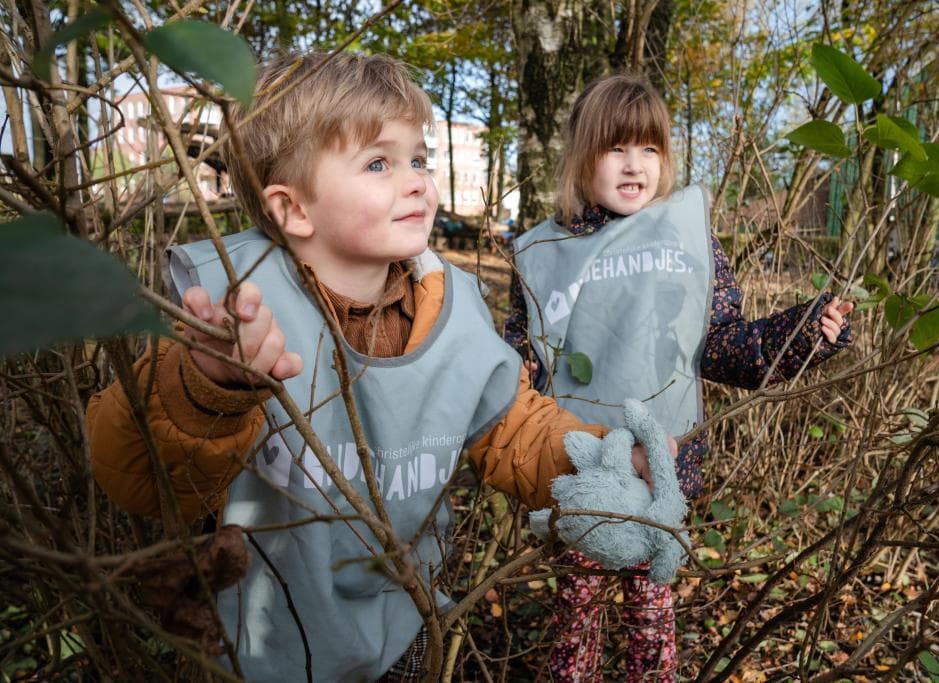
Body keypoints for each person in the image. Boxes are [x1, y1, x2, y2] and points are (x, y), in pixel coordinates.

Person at [86, 53, 660, 682]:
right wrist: (211, 387)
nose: (416, 181)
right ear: (294, 208)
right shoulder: (234, 312)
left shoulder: (453, 305)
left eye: (419, 158)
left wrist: (592, 460)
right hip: (266, 638)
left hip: (403, 623)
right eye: (379, 163)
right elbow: (139, 480)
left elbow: (510, 424)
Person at [503, 73, 854, 682]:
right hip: (579, 468)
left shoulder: (688, 242)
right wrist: (512, 373)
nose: (634, 164)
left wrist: (802, 334)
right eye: (616, 147)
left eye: (650, 148)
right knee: (575, 617)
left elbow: (721, 344)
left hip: (661, 471)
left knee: (651, 618)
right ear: (582, 155)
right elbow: (522, 351)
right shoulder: (545, 251)